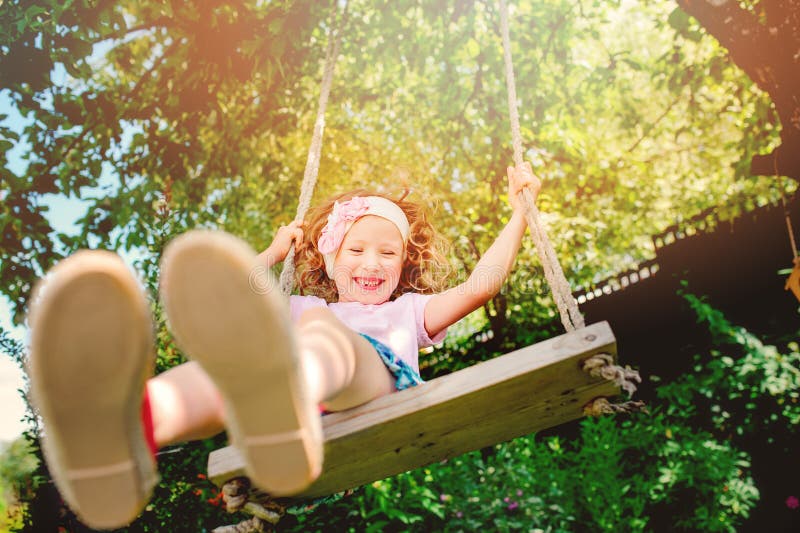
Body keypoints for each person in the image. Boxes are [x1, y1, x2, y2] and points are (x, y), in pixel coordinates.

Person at [27, 162, 541, 529]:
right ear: (330, 258)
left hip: (377, 385)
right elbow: (232, 299)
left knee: (318, 335)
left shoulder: (404, 313)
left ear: (404, 264)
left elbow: (483, 285)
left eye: (388, 253)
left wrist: (520, 214)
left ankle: (286, 398)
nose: (372, 262)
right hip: (293, 382)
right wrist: (273, 255)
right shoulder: (300, 306)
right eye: (355, 249)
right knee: (227, 368)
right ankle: (133, 424)